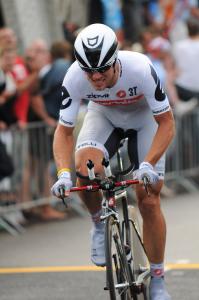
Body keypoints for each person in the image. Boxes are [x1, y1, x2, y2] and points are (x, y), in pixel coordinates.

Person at [51, 23, 175, 300]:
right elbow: (63, 131)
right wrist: (63, 174)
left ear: (115, 60)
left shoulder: (140, 68)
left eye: (102, 70)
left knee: (148, 198)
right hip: (104, 115)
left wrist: (148, 164)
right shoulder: (74, 76)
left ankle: (157, 281)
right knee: (85, 170)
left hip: (145, 119)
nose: (95, 77)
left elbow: (166, 122)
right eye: (89, 71)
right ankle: (98, 222)